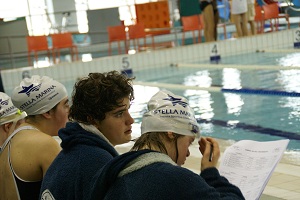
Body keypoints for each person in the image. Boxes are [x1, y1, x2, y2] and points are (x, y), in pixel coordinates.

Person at [89, 90, 245, 200]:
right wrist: (210, 173)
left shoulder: (118, 171)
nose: (188, 154)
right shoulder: (175, 179)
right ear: (170, 132)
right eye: (188, 143)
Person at [40, 71, 135, 200]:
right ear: (93, 120)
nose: (130, 120)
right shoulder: (97, 162)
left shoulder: (75, 150)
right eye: (119, 114)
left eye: (128, 110)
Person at [0, 75, 69, 200]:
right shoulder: (44, 144)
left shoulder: (9, 144)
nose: (69, 110)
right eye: (65, 105)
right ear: (47, 112)